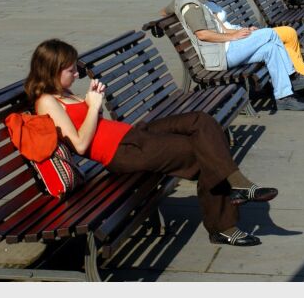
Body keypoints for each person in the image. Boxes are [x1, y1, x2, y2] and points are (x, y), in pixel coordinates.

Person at [28, 38, 278, 248]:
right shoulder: (47, 102)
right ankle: (224, 225)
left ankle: (237, 184)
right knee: (202, 151)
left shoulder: (64, 93)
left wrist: (96, 103)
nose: (76, 74)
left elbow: (92, 126)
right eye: (70, 70)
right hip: (123, 152)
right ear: (51, 70)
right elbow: (81, 145)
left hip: (133, 135)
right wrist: (92, 107)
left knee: (201, 122)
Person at [174, 0, 304, 111]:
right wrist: (232, 37)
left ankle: (283, 97)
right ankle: (293, 77)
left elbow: (216, 27)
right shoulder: (191, 6)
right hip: (221, 55)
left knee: (271, 48)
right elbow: (202, 34)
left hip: (225, 49)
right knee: (270, 33)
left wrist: (238, 32)